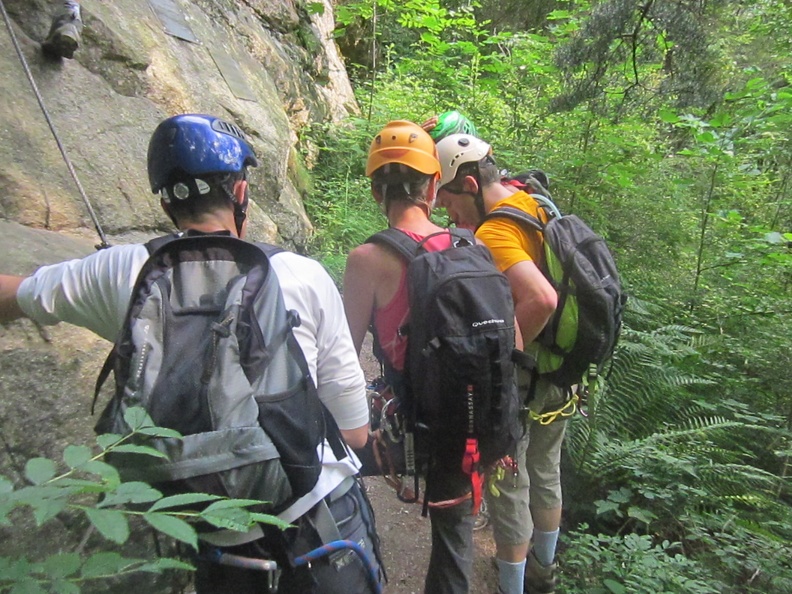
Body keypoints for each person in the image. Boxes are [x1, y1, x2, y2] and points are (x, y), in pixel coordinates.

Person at [0, 114, 383, 594]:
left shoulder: (123, 272)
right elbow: (354, 430)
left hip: (216, 547)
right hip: (320, 530)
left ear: (165, 200)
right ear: (240, 193)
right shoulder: (302, 276)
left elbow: (16, 294)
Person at [342, 120, 477, 594]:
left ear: (377, 192)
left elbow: (341, 358)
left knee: (320, 467)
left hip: (404, 430)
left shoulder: (367, 260)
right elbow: (513, 341)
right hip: (467, 425)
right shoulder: (469, 246)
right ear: (434, 187)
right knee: (454, 544)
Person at [433, 132, 565, 594]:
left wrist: (509, 359)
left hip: (531, 375)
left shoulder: (496, 231)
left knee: (510, 483)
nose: (449, 215)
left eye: (448, 201)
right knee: (546, 470)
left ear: (468, 185)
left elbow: (542, 298)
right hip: (564, 370)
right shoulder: (533, 201)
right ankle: (544, 571)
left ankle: (513, 586)